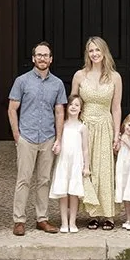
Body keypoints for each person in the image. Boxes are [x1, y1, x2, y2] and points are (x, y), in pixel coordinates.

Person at [8, 40, 66, 236]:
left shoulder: (57, 84)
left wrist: (58, 138)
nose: (42, 58)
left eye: (46, 55)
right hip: (27, 137)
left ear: (51, 59)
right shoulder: (22, 81)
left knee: (44, 180)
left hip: (48, 138)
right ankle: (19, 220)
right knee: (23, 179)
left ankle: (42, 219)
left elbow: (60, 112)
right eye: (39, 55)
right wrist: (17, 136)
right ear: (33, 58)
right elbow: (12, 109)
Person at [71, 36, 123, 230]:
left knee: (104, 169)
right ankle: (92, 213)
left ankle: (107, 214)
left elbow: (116, 107)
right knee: (87, 168)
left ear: (104, 52)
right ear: (87, 53)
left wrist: (117, 134)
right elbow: (74, 103)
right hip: (84, 126)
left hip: (104, 125)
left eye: (97, 50)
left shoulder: (115, 77)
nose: (94, 54)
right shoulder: (79, 75)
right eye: (91, 51)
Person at [48, 96, 92, 233]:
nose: (73, 107)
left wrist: (86, 166)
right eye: (71, 104)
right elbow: (58, 141)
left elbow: (85, 149)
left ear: (81, 109)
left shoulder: (82, 127)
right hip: (63, 162)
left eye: (77, 105)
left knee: (74, 193)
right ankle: (64, 222)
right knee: (63, 193)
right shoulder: (63, 125)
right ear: (67, 107)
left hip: (76, 163)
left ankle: (73, 222)